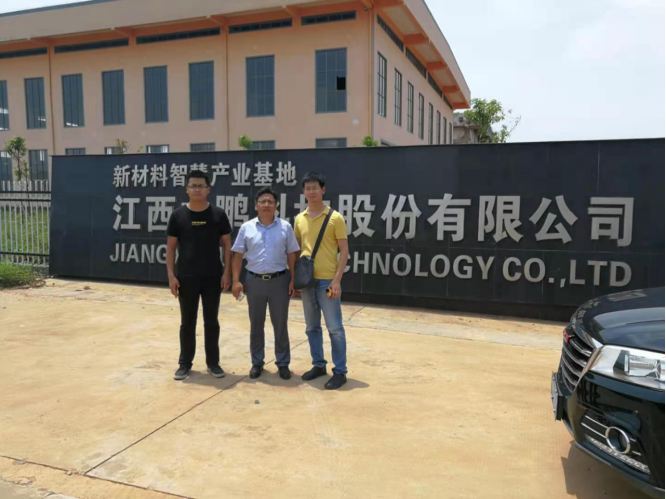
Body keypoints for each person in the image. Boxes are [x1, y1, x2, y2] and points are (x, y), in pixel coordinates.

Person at [166, 169, 232, 381]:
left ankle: (213, 363)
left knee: (211, 321)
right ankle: (185, 364)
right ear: (186, 189)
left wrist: (227, 273)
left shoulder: (218, 214)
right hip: (186, 277)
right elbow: (170, 248)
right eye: (193, 186)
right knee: (187, 322)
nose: (197, 189)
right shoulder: (178, 216)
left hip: (213, 277)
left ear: (208, 189)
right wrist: (171, 276)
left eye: (201, 186)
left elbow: (227, 246)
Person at [231, 187, 300, 380]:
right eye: (263, 201)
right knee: (256, 324)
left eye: (270, 201)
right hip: (254, 282)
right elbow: (237, 256)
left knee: (280, 324)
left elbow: (292, 255)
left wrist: (294, 279)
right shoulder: (247, 228)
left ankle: (283, 363)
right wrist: (236, 281)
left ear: (276, 205)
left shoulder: (285, 227)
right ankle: (257, 362)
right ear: (256, 205)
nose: (266, 205)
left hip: (279, 281)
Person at [293, 171, 350, 390]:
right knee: (311, 327)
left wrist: (337, 280)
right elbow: (296, 250)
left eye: (315, 187)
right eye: (307, 188)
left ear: (323, 190)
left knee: (335, 328)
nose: (311, 191)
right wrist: (295, 279)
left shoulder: (335, 218)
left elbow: (344, 251)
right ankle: (318, 365)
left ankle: (340, 371)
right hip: (307, 282)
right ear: (303, 192)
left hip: (328, 282)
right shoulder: (300, 219)